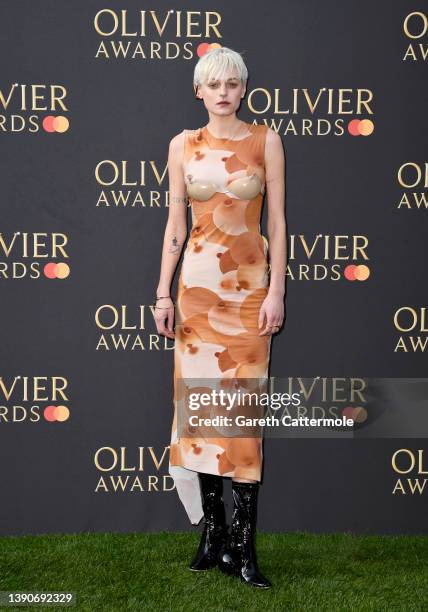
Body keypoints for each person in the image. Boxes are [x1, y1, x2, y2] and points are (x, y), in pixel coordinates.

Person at [155, 47, 286, 589]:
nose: (224, 91)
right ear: (199, 92)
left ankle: (243, 544)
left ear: (243, 88)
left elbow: (277, 223)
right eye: (214, 84)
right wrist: (162, 293)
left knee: (243, 418)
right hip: (196, 295)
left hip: (250, 295)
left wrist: (278, 290)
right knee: (204, 415)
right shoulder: (182, 145)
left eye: (233, 83)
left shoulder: (266, 141)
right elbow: (174, 229)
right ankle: (212, 534)